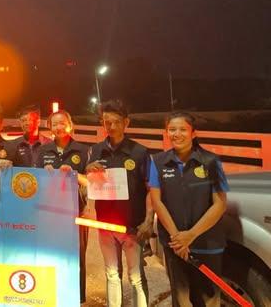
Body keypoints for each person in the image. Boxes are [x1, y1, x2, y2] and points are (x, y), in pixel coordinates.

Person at [150, 112, 228, 307]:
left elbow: (220, 204)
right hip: (175, 245)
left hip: (207, 243)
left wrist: (191, 235)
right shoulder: (158, 162)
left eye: (183, 129)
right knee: (181, 298)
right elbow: (157, 201)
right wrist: (178, 239)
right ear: (166, 132)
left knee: (209, 298)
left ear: (193, 133)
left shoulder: (211, 161)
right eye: (172, 129)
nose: (177, 134)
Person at [86, 100, 152, 307]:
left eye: (116, 122)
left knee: (136, 277)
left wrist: (149, 220)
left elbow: (151, 189)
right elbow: (88, 184)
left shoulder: (140, 152)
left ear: (126, 123)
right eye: (107, 122)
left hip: (132, 226)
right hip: (106, 226)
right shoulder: (95, 151)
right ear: (102, 123)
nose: (112, 126)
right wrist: (88, 169)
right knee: (112, 274)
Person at [37, 110, 89, 303]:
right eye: (54, 124)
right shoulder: (43, 151)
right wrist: (43, 173)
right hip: (49, 212)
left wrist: (73, 174)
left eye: (62, 123)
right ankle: (51, 296)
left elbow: (91, 182)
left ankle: (77, 299)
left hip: (77, 213)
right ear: (50, 128)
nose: (58, 127)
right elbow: (35, 180)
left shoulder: (83, 150)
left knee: (77, 256)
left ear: (70, 125)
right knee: (51, 255)